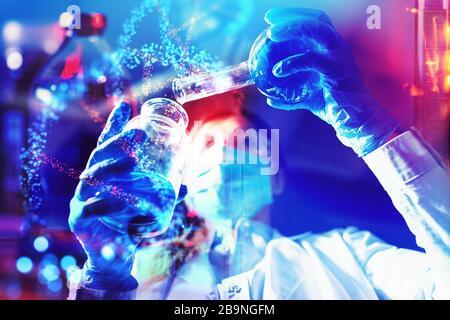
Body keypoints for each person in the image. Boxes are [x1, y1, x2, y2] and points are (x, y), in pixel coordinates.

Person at [67, 8, 450, 300]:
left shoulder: (345, 254)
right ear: (181, 181)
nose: (229, 157)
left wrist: (375, 131)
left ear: (277, 177)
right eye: (210, 146)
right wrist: (105, 278)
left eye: (246, 144)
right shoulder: (142, 278)